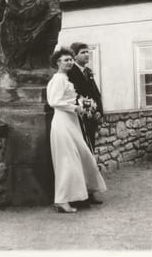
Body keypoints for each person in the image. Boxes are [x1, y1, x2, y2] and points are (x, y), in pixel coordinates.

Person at [47, 48, 107, 213]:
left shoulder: (66, 79)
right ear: (58, 62)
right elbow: (54, 101)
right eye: (66, 60)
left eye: (71, 60)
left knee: (82, 157)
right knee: (66, 161)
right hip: (62, 123)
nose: (69, 62)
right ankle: (61, 201)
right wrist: (76, 108)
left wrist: (82, 104)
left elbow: (70, 98)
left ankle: (82, 194)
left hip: (72, 122)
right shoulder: (58, 79)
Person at [68, 42, 103, 152]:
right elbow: (72, 94)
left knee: (91, 145)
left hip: (91, 117)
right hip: (78, 116)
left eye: (87, 52)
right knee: (81, 147)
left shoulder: (88, 71)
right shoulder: (70, 72)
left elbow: (96, 94)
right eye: (83, 52)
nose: (87, 54)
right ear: (75, 56)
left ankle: (91, 167)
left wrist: (99, 111)